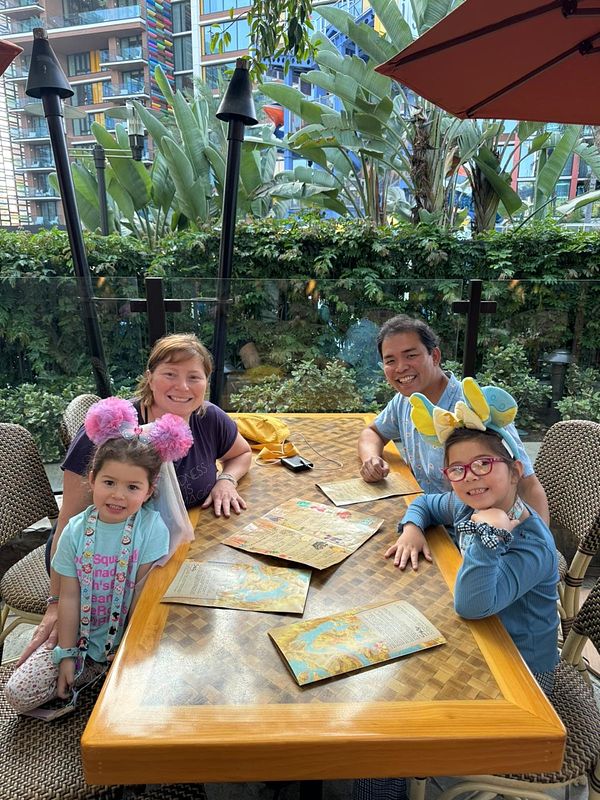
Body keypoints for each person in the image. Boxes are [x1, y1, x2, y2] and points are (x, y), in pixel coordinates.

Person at [354, 379, 559, 800]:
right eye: (458, 470)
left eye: (484, 464)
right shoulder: (469, 503)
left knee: (383, 729)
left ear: (515, 470)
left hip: (520, 678)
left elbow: (473, 604)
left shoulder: (533, 544)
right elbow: (427, 504)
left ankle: (382, 781)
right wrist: (412, 529)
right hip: (481, 644)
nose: (471, 477)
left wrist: (486, 535)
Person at [19, 333, 252, 667]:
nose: (182, 387)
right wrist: (55, 602)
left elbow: (241, 453)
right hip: (98, 556)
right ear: (150, 377)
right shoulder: (111, 431)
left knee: (210, 623)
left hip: (170, 546)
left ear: (206, 382)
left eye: (194, 377)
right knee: (143, 639)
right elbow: (69, 521)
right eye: (170, 374)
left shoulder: (208, 417)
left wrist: (226, 480)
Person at [5, 397, 193, 713]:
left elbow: (141, 597)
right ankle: (89, 673)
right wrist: (66, 655)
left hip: (129, 640)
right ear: (92, 479)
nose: (118, 495)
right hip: (78, 638)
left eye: (132, 487)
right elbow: (69, 597)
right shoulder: (74, 532)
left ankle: (104, 676)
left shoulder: (152, 530)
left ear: (149, 491)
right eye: (109, 482)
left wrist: (129, 652)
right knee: (18, 694)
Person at [358, 315, 549, 564]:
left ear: (435, 356)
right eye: (390, 360)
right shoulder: (405, 401)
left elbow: (527, 484)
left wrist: (542, 550)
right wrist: (371, 459)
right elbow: (372, 432)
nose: (401, 367)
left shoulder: (474, 410)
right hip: (430, 517)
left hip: (484, 539)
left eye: (411, 355)